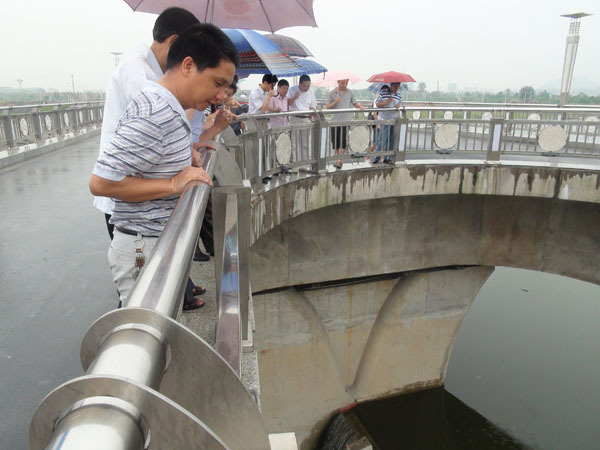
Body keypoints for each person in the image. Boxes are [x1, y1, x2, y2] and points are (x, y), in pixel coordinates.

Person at [89, 24, 239, 309]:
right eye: (217, 83)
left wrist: (185, 154)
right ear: (188, 66)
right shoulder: (157, 110)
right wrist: (173, 184)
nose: (221, 95)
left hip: (155, 243)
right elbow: (101, 182)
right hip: (143, 247)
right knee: (143, 331)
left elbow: (149, 156)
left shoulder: (169, 107)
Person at [325, 78, 365, 169]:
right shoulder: (332, 93)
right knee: (335, 142)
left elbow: (354, 103)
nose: (344, 85)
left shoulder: (350, 92)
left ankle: (340, 160)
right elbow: (327, 107)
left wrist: (360, 106)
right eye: (342, 83)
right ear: (338, 82)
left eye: (346, 83)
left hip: (345, 120)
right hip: (334, 121)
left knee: (343, 141)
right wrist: (335, 102)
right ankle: (339, 158)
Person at [287, 75, 317, 160]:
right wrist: (295, 97)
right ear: (299, 84)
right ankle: (295, 162)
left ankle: (304, 162)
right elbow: (287, 103)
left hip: (306, 118)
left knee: (305, 142)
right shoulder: (292, 89)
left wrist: (311, 117)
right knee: (294, 142)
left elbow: (312, 106)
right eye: (304, 86)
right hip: (295, 118)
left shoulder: (311, 91)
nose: (306, 88)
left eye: (308, 86)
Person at [374, 82, 402, 164]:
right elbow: (377, 103)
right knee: (382, 140)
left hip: (393, 121)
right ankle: (377, 157)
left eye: (398, 86)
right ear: (391, 85)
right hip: (384, 120)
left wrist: (398, 106)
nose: (396, 88)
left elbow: (400, 105)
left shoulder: (398, 95)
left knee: (391, 140)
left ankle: (387, 157)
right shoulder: (383, 93)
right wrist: (386, 102)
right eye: (395, 86)